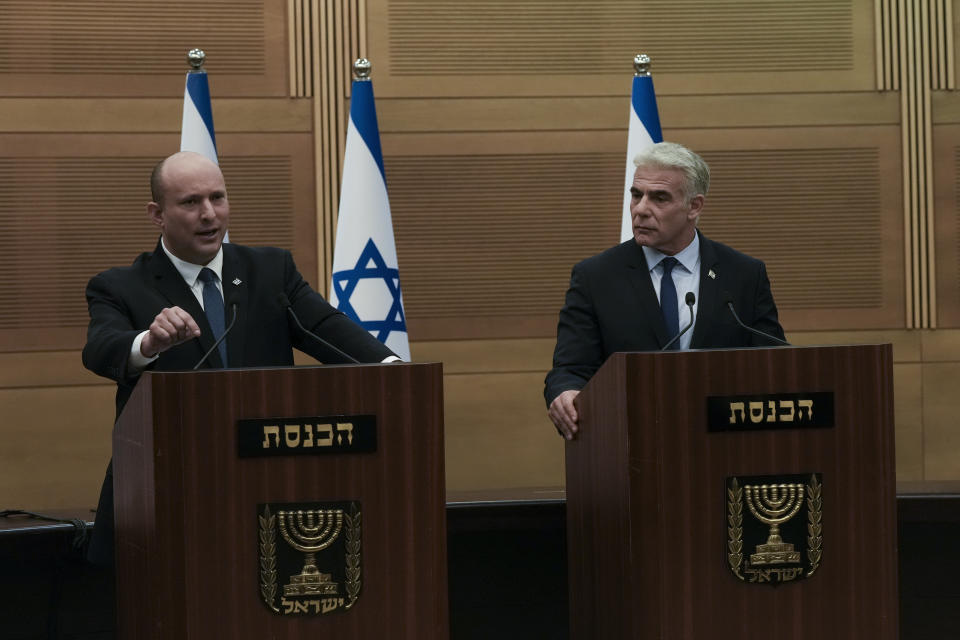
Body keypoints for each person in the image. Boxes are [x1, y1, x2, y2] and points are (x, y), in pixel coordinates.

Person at [82, 151, 398, 565]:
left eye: (218, 197)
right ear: (157, 214)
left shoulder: (270, 270)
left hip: (265, 488)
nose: (209, 214)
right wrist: (148, 343)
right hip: (165, 490)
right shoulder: (119, 285)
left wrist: (396, 372)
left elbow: (326, 329)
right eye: (191, 202)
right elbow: (101, 349)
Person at [544, 142, 785, 440]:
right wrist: (565, 392)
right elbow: (571, 367)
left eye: (659, 198)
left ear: (694, 206)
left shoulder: (743, 274)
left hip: (726, 442)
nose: (641, 209)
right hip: (631, 440)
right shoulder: (596, 277)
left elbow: (775, 363)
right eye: (636, 195)